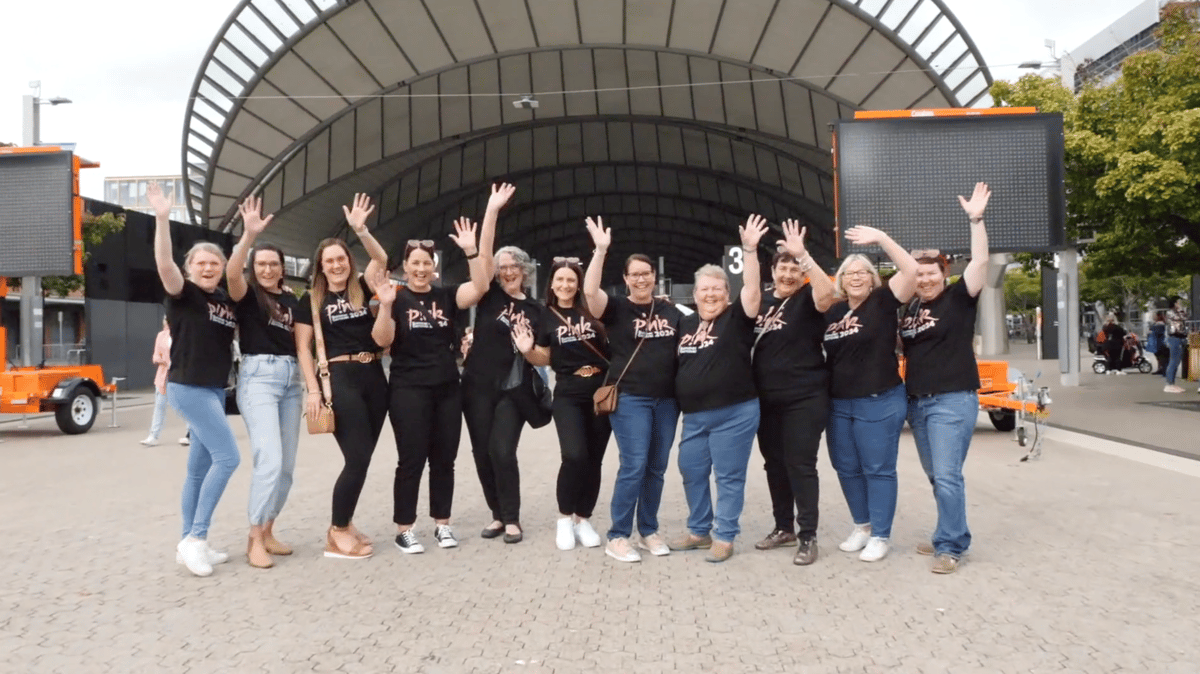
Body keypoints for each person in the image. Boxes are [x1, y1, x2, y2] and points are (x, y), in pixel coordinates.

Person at [371, 217, 489, 554]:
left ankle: (442, 524)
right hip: (408, 388)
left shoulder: (447, 296)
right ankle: (404, 528)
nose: (421, 268)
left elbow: (479, 287)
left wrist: (471, 251)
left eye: (427, 262)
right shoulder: (395, 296)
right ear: (405, 267)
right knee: (411, 459)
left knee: (444, 459)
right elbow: (382, 341)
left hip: (447, 387)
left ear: (434, 267)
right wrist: (386, 305)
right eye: (415, 263)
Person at [148, 181, 240, 578]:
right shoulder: (183, 294)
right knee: (229, 457)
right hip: (187, 388)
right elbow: (165, 266)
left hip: (214, 390)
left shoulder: (224, 299)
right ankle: (196, 539)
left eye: (214, 263)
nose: (207, 267)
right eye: (200, 263)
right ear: (190, 268)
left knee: (198, 470)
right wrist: (163, 218)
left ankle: (187, 539)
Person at [901, 181, 991, 575]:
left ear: (944, 272)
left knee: (948, 475)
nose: (925, 279)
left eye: (932, 273)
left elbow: (981, 264)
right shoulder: (907, 310)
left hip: (952, 399)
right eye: (919, 275)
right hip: (917, 402)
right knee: (938, 475)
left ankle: (952, 546)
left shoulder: (959, 297)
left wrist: (976, 219)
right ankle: (947, 533)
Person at [666, 216, 768, 563]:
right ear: (694, 295)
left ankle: (724, 534)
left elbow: (753, 291)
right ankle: (698, 530)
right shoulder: (686, 322)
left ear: (728, 294)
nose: (710, 294)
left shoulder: (738, 317)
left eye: (717, 289)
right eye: (704, 290)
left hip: (734, 413)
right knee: (691, 470)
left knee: (728, 476)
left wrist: (750, 251)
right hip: (694, 417)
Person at [583, 218, 684, 563]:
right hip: (630, 398)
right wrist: (600, 251)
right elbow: (589, 294)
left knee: (656, 467)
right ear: (625, 279)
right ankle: (618, 535)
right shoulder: (616, 308)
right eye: (634, 274)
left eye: (646, 273)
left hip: (668, 401)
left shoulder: (672, 311)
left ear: (655, 277)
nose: (641, 278)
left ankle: (649, 530)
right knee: (634, 464)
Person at [294, 193, 390, 560]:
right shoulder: (311, 300)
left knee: (363, 457)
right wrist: (313, 391)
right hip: (340, 378)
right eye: (329, 260)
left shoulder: (362, 288)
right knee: (357, 458)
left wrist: (361, 230)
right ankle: (336, 532)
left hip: (373, 377)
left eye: (341, 259)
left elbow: (381, 260)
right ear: (320, 265)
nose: (336, 265)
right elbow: (303, 348)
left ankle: (347, 525)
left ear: (349, 262)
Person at [823, 225, 918, 563]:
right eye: (850, 272)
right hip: (839, 402)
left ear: (874, 278)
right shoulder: (832, 311)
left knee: (877, 468)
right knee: (846, 466)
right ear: (841, 279)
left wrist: (882, 239)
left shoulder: (884, 301)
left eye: (864, 271)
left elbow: (912, 271)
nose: (857, 277)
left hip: (879, 398)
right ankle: (862, 526)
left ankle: (881, 534)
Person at [512, 256, 612, 552]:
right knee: (574, 455)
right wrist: (528, 351)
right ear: (551, 284)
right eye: (560, 280)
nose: (566, 285)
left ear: (579, 283)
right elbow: (546, 357)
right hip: (568, 393)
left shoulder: (594, 310)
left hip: (601, 392)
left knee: (594, 460)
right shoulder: (545, 315)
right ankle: (564, 519)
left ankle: (583, 519)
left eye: (571, 280)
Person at [225, 195, 304, 569]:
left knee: (286, 467)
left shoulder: (292, 300)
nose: (268, 269)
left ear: (283, 269)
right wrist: (248, 236)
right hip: (259, 378)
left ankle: (269, 529)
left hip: (291, 379)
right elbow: (231, 274)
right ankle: (253, 537)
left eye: (274, 264)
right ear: (254, 268)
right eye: (262, 264)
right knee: (269, 459)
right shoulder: (247, 295)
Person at [751, 220, 836, 566]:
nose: (787, 273)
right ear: (772, 271)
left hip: (805, 397)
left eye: (793, 267)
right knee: (774, 464)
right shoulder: (760, 301)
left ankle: (808, 535)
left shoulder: (809, 298)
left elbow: (827, 294)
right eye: (782, 266)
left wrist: (804, 257)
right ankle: (783, 526)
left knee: (800, 464)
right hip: (764, 399)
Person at [461, 184, 542, 544]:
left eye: (514, 267)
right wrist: (491, 211)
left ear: (524, 271)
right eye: (502, 267)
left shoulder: (537, 310)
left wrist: (531, 350)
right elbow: (484, 253)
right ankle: (496, 514)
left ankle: (512, 518)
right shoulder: (489, 295)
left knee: (502, 450)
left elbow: (544, 352)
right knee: (481, 453)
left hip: (513, 389)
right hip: (476, 385)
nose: (507, 271)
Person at [141, 319, 192, 447]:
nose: (166, 322)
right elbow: (155, 357)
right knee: (159, 406)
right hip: (164, 375)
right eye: (166, 320)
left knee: (185, 405)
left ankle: (190, 434)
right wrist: (164, 361)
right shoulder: (161, 335)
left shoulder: (183, 334)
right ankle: (153, 436)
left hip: (180, 375)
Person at [1164, 296, 1189, 393]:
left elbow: (1185, 317)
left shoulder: (1179, 312)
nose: (1181, 303)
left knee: (1177, 361)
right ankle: (1169, 384)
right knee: (1173, 361)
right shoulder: (1171, 312)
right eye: (1179, 302)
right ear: (1175, 303)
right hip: (1174, 338)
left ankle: (1172, 383)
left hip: (1180, 337)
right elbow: (1181, 318)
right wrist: (1181, 310)